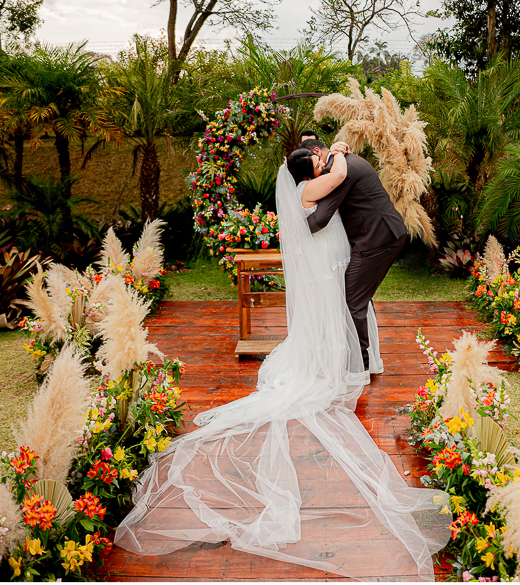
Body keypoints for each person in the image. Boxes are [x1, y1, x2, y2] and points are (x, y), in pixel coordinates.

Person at [114, 148, 450, 580]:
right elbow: (332, 190)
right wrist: (340, 153)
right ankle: (351, 362)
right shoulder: (318, 182)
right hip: (332, 255)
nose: (321, 157)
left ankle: (354, 357)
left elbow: (332, 195)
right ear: (306, 172)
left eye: (320, 154)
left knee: (348, 305)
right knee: (347, 305)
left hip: (339, 254)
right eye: (315, 158)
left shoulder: (312, 182)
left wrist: (337, 153)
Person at [299, 136, 409, 375]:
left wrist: (294, 228)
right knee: (358, 298)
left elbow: (321, 218)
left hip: (377, 240)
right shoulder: (343, 160)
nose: (314, 175)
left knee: (352, 302)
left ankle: (359, 366)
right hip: (378, 236)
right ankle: (363, 359)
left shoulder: (340, 170)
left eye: (313, 167)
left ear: (317, 153)